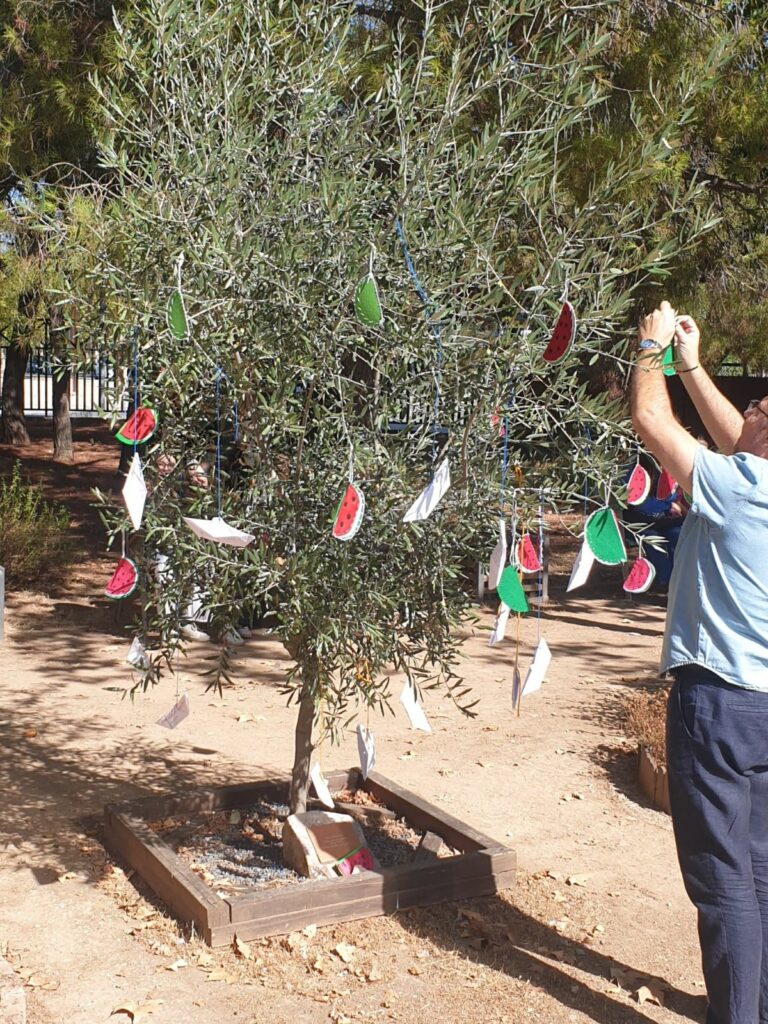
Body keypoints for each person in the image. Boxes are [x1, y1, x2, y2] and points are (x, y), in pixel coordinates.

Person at [631, 300, 768, 1024]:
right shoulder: (751, 483)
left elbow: (652, 421)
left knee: (721, 881)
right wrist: (692, 365)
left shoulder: (742, 488)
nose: (747, 412)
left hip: (718, 704)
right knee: (760, 870)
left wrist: (650, 350)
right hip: (765, 707)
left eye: (759, 409)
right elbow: (738, 441)